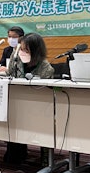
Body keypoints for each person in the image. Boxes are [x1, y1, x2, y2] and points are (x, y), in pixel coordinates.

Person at [5, 32, 54, 164]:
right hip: (18, 104)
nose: (22, 52)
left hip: (39, 109)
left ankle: (46, 159)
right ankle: (17, 152)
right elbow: (9, 75)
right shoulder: (15, 59)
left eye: (26, 49)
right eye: (21, 48)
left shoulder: (46, 68)